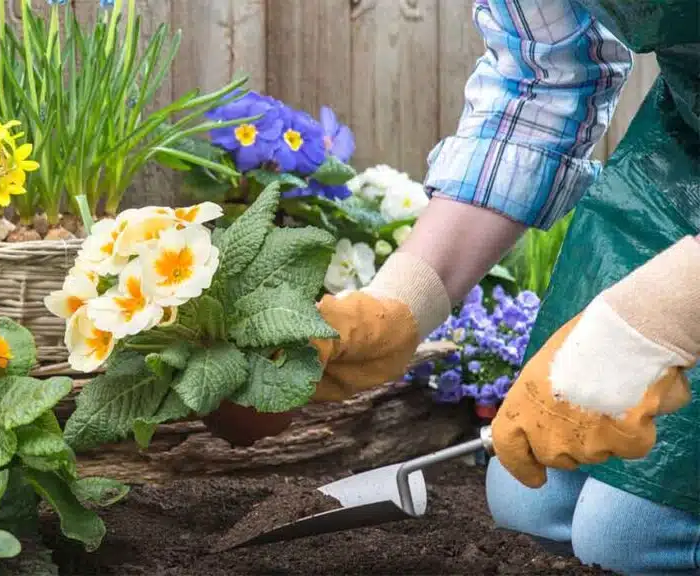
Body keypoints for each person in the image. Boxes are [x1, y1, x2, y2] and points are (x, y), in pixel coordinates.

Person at [206, 1, 700, 573]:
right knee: (531, 500)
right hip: (682, 156)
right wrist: (401, 303)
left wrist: (662, 316)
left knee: (633, 536)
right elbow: (542, 79)